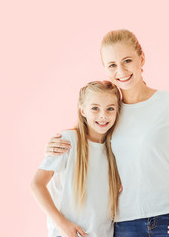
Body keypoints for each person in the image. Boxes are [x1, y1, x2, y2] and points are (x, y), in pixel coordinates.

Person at [45, 29, 169, 237]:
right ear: (105, 68)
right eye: (112, 65)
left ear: (142, 59)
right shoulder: (111, 115)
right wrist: (54, 145)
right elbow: (88, 143)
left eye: (127, 61)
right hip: (126, 224)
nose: (121, 71)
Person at [31, 81, 123, 237]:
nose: (103, 115)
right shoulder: (68, 141)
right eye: (95, 108)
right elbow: (37, 184)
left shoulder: (116, 148)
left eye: (110, 109)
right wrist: (62, 224)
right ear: (83, 111)